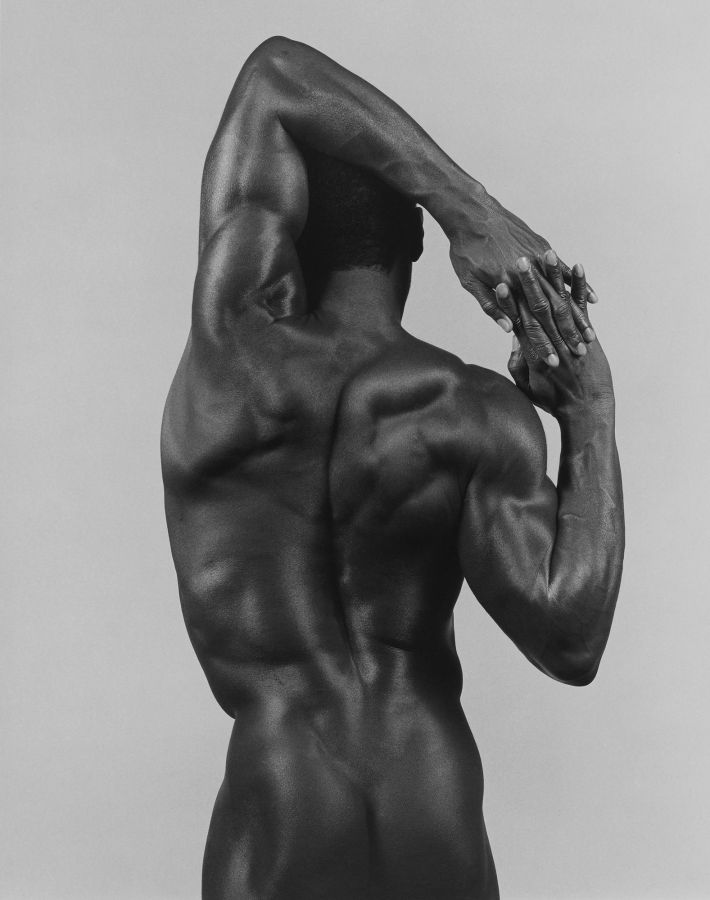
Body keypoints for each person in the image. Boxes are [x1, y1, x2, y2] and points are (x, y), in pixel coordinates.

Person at [161, 37, 624, 900]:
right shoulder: (472, 409)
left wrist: (469, 209)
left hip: (285, 791)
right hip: (431, 795)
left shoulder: (233, 358)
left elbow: (272, 74)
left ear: (285, 228)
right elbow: (571, 635)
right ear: (413, 243)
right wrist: (590, 414)